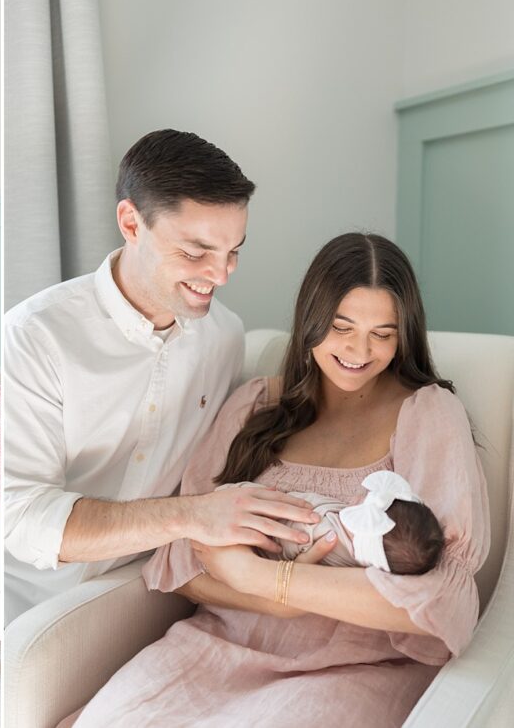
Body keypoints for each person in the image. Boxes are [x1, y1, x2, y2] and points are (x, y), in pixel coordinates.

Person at [66, 233, 489, 727]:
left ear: (404, 335)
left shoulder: (426, 413)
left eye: (383, 333)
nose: (359, 350)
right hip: (219, 645)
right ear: (311, 319)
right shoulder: (255, 406)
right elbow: (180, 562)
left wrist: (267, 578)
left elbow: (441, 600)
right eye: (341, 326)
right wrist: (268, 600)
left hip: (354, 666)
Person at [4, 130, 320, 621]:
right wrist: (193, 515)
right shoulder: (37, 335)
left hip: (153, 584)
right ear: (132, 223)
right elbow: (21, 519)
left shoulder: (225, 336)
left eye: (234, 250)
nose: (220, 275)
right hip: (34, 598)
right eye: (196, 252)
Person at [219, 469, 445, 574]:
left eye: (364, 500)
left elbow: (282, 544)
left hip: (240, 524)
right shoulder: (352, 561)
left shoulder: (322, 533)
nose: (360, 496)